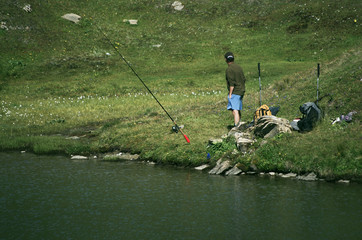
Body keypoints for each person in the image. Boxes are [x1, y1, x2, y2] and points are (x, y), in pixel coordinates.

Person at [224, 52, 246, 127]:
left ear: (226, 60)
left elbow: (231, 83)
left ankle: (236, 127)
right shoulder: (239, 67)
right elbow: (244, 79)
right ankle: (240, 125)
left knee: (235, 110)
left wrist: (230, 94)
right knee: (237, 109)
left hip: (235, 91)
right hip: (241, 90)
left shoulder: (229, 69)